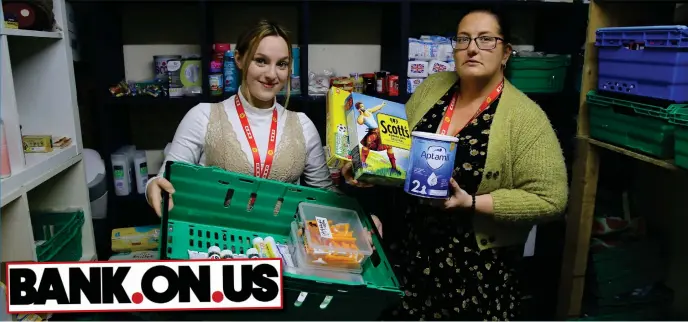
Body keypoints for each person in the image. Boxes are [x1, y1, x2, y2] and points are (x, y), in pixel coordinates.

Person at [343, 8, 568, 321]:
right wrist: (370, 169)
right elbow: (398, 149)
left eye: (486, 39)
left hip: (475, 275)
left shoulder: (526, 118)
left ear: (506, 53)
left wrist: (473, 202)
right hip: (408, 256)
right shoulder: (433, 87)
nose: (472, 48)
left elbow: (551, 200)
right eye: (463, 39)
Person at [145, 20, 336, 216]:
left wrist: (362, 218)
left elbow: (324, 194)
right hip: (218, 242)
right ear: (239, 59)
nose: (271, 74)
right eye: (260, 60)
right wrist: (153, 185)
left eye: (282, 64)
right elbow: (166, 181)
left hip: (283, 243)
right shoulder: (203, 116)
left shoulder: (302, 126)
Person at [354, 101, 400, 173]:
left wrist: (381, 105)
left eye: (363, 106)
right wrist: (361, 114)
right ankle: (362, 163)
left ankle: (394, 168)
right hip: (372, 132)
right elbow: (359, 122)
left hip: (379, 131)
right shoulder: (361, 116)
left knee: (389, 146)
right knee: (366, 146)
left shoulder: (368, 111)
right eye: (361, 107)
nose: (363, 107)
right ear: (359, 109)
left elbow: (374, 108)